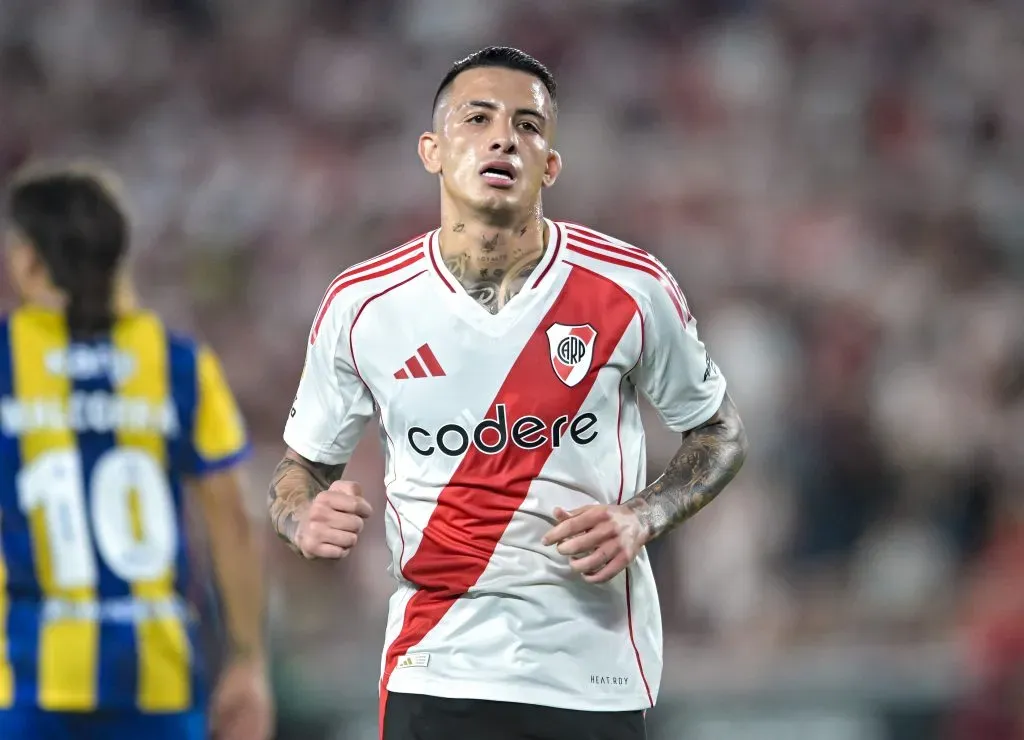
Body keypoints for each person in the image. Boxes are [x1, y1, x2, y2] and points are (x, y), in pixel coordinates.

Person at [269, 46, 748, 740]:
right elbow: (300, 468)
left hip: (592, 668)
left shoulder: (630, 288)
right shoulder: (363, 305)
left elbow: (719, 432)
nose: (502, 137)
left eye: (528, 125)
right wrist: (302, 519)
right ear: (432, 150)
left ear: (549, 165)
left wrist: (641, 517)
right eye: (478, 118)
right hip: (435, 664)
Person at [0, 165, 273, 740]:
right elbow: (231, 522)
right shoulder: (181, 365)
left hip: (24, 678)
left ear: (27, 260)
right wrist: (247, 660)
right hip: (156, 675)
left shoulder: (6, 364)